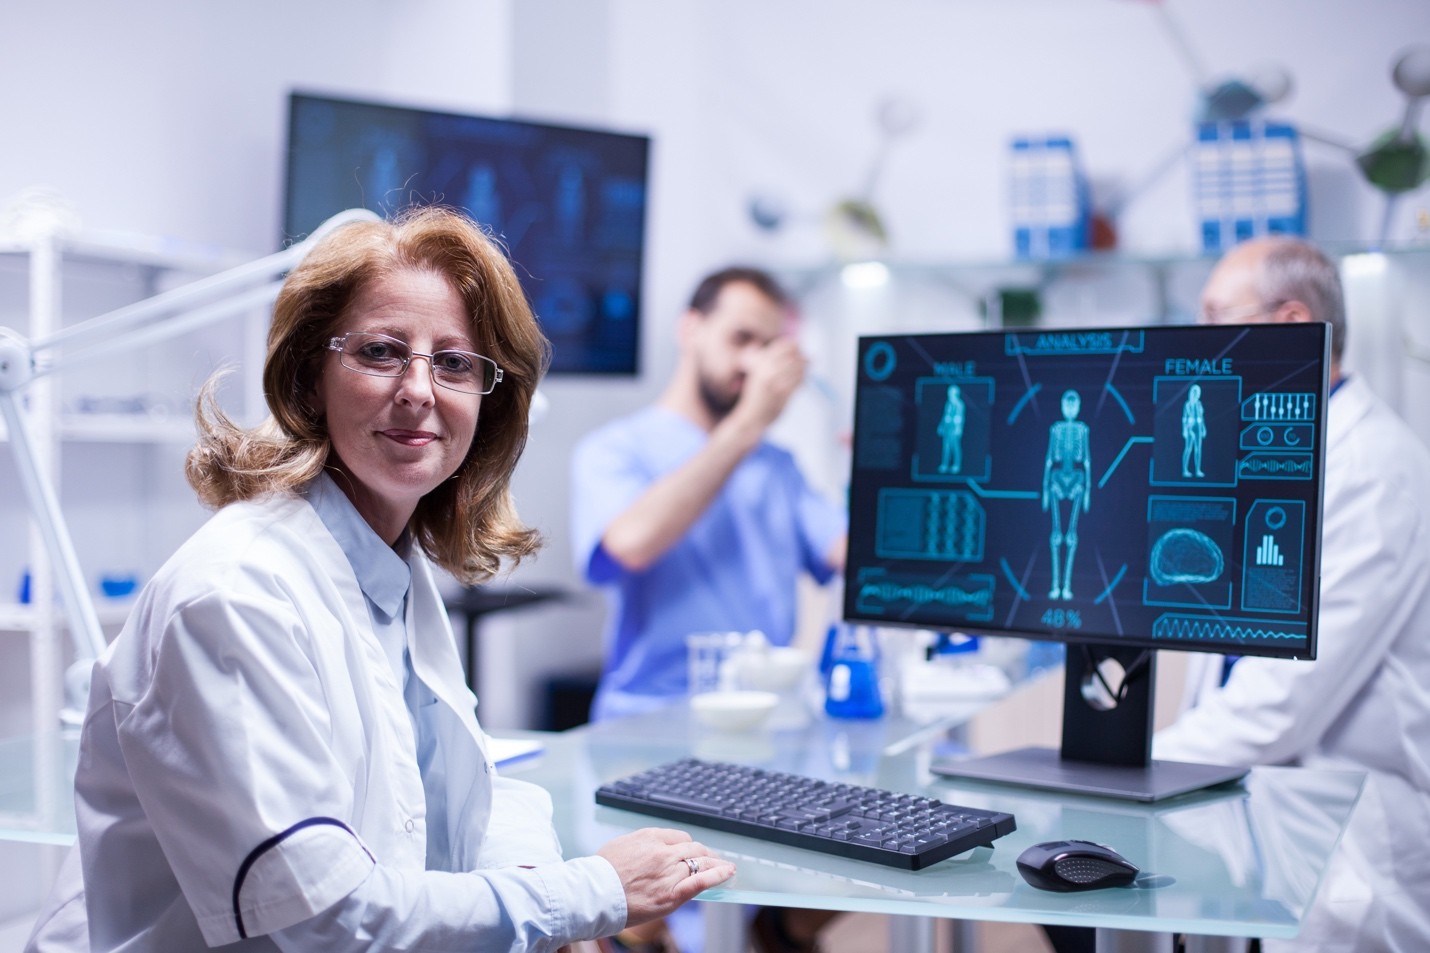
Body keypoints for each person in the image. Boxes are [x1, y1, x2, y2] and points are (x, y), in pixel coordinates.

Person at [24, 207, 734, 953]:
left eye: (455, 362)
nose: (420, 389)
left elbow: (467, 788)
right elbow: (321, 919)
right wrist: (584, 893)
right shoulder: (234, 595)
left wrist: (542, 901)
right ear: (309, 377)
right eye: (383, 351)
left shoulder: (388, 563)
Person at [1153, 235, 1430, 952]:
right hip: (1259, 820)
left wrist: (1137, 765)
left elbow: (1282, 699)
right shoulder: (1276, 451)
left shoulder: (1371, 470)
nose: (1200, 339)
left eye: (1216, 315)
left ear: (1289, 327)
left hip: (1348, 841)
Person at [570, 267, 847, 953]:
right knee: (641, 917)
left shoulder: (778, 465)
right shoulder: (616, 450)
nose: (753, 361)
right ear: (690, 329)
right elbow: (631, 542)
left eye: (770, 346)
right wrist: (749, 425)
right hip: (645, 735)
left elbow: (850, 552)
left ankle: (774, 929)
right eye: (740, 337)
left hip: (768, 738)